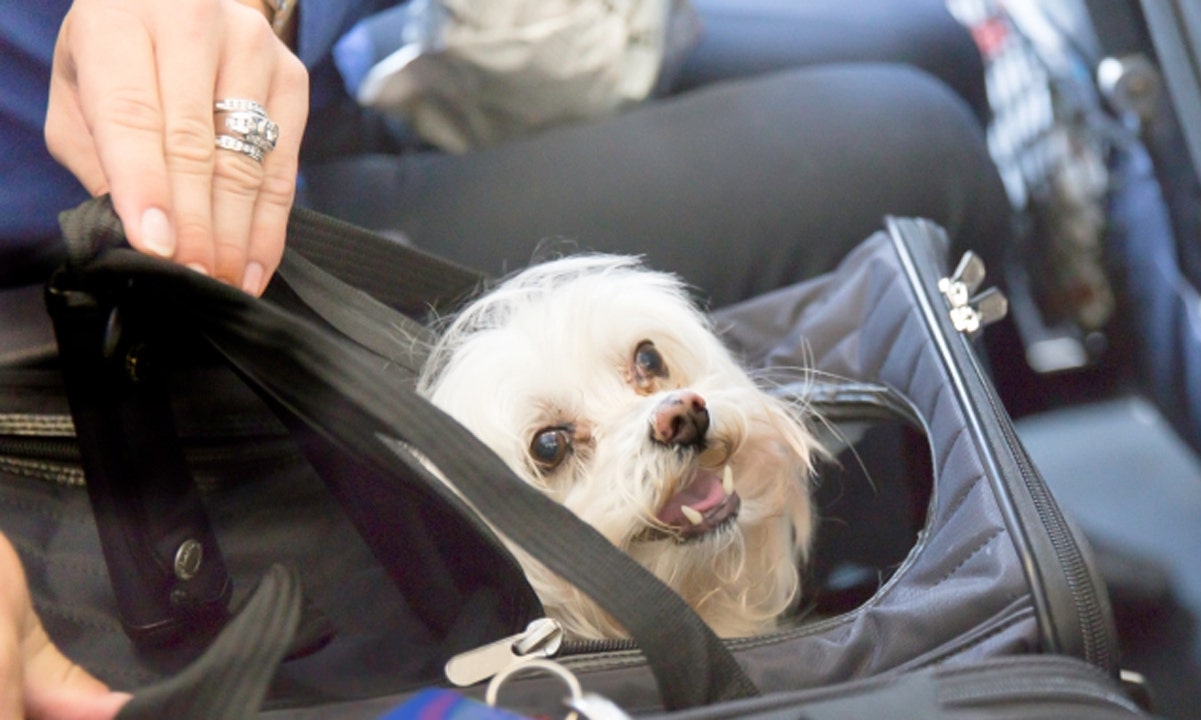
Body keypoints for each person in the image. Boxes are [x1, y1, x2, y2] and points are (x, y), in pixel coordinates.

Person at [1, 0, 1011, 714]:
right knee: (918, 142)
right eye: (553, 446)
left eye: (654, 378)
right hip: (117, 265)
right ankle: (928, 595)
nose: (670, 413)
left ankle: (986, 535)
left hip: (318, 97)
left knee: (930, 38)